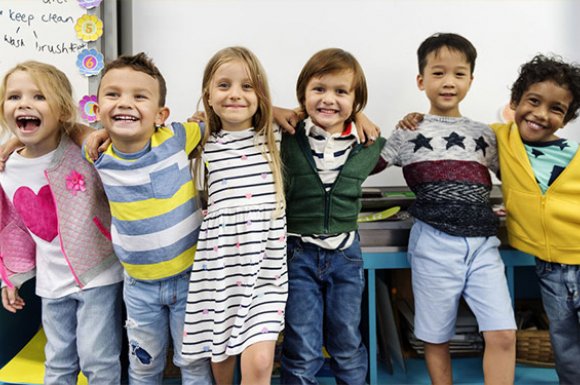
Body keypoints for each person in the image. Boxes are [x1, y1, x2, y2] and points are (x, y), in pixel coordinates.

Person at [400, 54, 580, 385]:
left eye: (556, 109)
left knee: (538, 340)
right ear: (515, 103)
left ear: (567, 118)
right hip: (551, 266)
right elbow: (456, 136)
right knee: (566, 348)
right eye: (534, 102)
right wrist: (415, 120)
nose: (541, 114)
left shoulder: (573, 153)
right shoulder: (498, 137)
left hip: (570, 254)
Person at [381, 33, 517, 385]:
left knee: (502, 333)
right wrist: (365, 123)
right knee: (435, 335)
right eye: (438, 73)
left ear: (471, 79)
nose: (449, 82)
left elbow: (516, 176)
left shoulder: (485, 134)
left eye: (459, 74)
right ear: (421, 80)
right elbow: (366, 166)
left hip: (483, 245)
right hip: (433, 242)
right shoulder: (407, 132)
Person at [84, 53, 212, 384]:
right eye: (113, 95)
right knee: (144, 366)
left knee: (195, 365)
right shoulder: (97, 154)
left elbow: (221, 117)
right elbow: (61, 127)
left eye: (139, 96)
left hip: (190, 280)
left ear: (160, 115)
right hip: (139, 286)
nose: (125, 103)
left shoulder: (177, 137)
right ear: (97, 112)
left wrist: (278, 112)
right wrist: (11, 141)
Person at [0, 61, 124, 385]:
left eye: (39, 97)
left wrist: (82, 131)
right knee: (57, 363)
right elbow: (12, 227)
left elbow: (113, 139)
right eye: (14, 97)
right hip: (51, 283)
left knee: (98, 360)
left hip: (98, 273)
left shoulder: (82, 149)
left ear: (63, 110)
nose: (24, 104)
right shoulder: (7, 168)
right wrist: (10, 277)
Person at [180, 46, 287, 385]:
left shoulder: (275, 136)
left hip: (265, 273)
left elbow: (326, 113)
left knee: (259, 363)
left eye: (247, 86)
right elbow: (139, 138)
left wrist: (359, 116)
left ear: (261, 94)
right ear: (208, 95)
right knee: (221, 360)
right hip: (220, 271)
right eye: (224, 85)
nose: (235, 95)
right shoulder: (201, 139)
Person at [280, 48, 386, 385]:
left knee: (347, 343)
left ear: (356, 101)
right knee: (302, 346)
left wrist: (360, 118)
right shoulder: (288, 135)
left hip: (345, 256)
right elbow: (247, 112)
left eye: (341, 92)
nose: (329, 99)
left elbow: (397, 142)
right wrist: (286, 112)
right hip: (298, 255)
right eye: (319, 89)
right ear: (303, 95)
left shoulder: (368, 143)